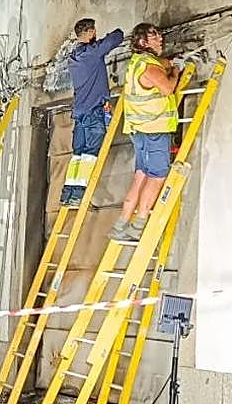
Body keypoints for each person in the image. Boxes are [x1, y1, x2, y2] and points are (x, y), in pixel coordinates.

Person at [111, 23, 181, 242]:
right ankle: (139, 224)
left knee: (141, 174)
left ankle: (122, 223)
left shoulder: (137, 62)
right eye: (154, 36)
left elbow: (159, 65)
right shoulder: (149, 67)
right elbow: (167, 88)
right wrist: (176, 71)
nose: (160, 39)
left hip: (140, 131)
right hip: (154, 131)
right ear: (143, 42)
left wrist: (169, 62)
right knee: (157, 176)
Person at [63, 18, 125, 208]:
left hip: (80, 112)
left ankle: (68, 193)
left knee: (77, 154)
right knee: (90, 153)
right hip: (94, 111)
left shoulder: (73, 57)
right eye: (94, 31)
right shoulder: (91, 52)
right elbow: (116, 38)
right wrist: (112, 34)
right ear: (90, 32)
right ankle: (79, 194)